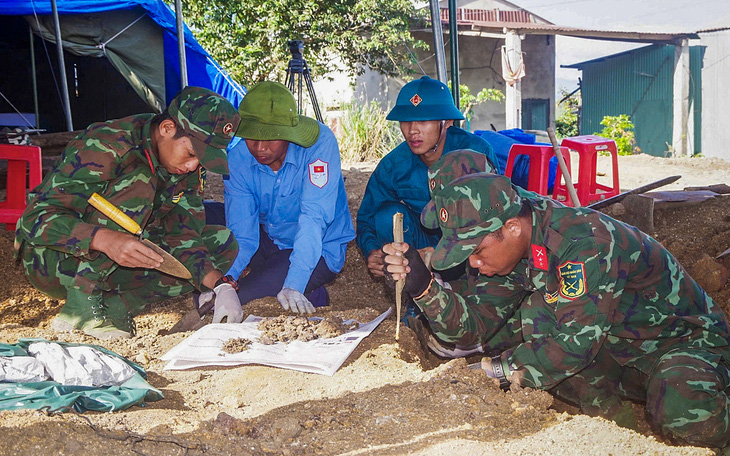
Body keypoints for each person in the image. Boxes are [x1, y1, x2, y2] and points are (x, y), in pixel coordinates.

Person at [383, 173, 730, 449]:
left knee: (681, 407)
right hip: (621, 347)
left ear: (512, 229)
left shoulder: (584, 244)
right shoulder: (514, 239)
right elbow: (473, 329)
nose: (472, 264)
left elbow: (572, 347)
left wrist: (491, 372)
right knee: (539, 318)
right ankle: (617, 431)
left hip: (686, 345)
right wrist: (423, 286)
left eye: (476, 251)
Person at [15, 86, 243, 340]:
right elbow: (34, 219)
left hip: (120, 258)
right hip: (52, 259)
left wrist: (220, 285)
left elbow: (183, 234)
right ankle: (80, 308)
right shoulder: (108, 145)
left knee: (220, 244)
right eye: (191, 154)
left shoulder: (185, 171)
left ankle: (117, 307)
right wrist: (104, 239)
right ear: (167, 128)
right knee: (139, 186)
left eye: (201, 161)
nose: (192, 166)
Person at [203, 81, 355, 315]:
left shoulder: (319, 145)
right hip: (268, 239)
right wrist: (225, 281)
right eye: (252, 137)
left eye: (271, 138)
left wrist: (293, 284)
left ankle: (308, 290)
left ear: (289, 133)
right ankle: (266, 275)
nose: (260, 147)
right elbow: (242, 233)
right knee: (202, 216)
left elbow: (313, 218)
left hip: (318, 247)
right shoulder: (238, 159)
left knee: (244, 298)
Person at [356, 75, 499, 279]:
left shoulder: (476, 154)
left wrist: (441, 252)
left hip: (471, 246)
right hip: (422, 245)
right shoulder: (394, 165)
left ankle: (467, 290)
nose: (413, 130)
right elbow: (367, 217)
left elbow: (499, 216)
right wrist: (373, 251)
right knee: (387, 215)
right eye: (406, 121)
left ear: (447, 122)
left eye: (423, 121)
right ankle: (417, 293)